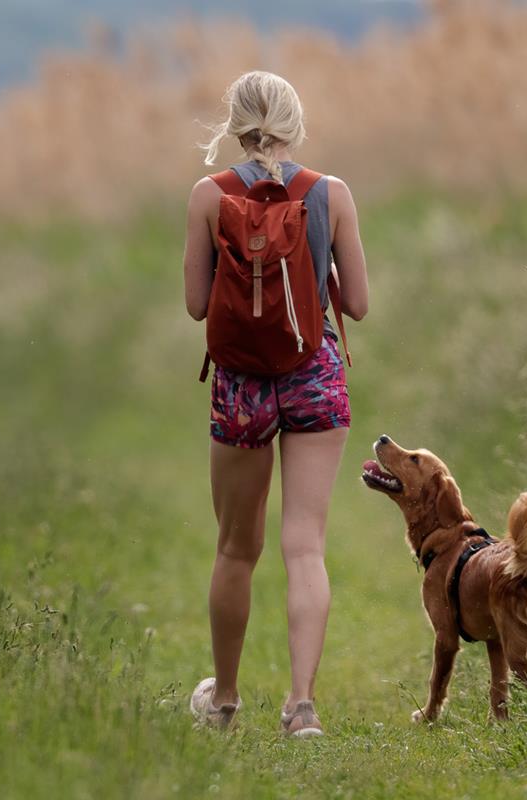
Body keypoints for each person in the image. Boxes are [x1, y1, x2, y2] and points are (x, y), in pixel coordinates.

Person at [182, 70, 370, 737]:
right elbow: (358, 306)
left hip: (241, 385)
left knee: (236, 548)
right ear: (295, 122)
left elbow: (198, 304)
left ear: (235, 125)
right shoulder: (331, 194)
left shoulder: (210, 196)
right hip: (312, 372)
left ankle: (226, 703)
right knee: (305, 547)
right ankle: (302, 707)